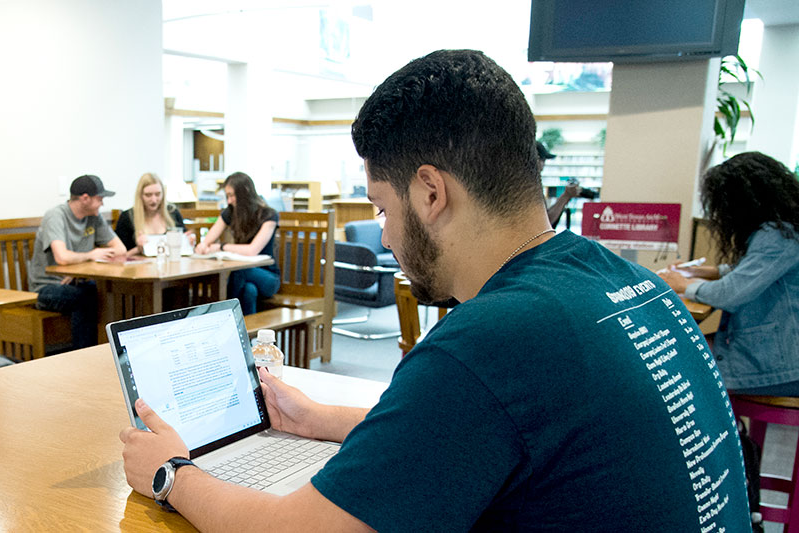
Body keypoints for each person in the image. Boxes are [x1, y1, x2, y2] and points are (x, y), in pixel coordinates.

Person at [119, 50, 749, 531]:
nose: (388, 237)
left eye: (384, 209)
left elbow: (299, 529)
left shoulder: (490, 340)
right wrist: (319, 419)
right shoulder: (622, 281)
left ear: (430, 192)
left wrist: (172, 473)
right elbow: (481, 426)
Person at [659, 151, 799, 396]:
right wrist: (709, 271)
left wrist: (683, 284)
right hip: (787, 358)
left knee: (675, 360)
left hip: (784, 368)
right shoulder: (786, 230)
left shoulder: (777, 236)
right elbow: (756, 271)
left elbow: (731, 294)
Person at [29, 174, 126, 349]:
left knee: (107, 292)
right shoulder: (56, 216)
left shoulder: (94, 217)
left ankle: (110, 351)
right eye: (100, 199)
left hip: (76, 282)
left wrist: (77, 271)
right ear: (85, 198)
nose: (102, 203)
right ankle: (85, 353)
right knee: (86, 297)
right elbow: (62, 257)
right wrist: (92, 254)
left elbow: (120, 250)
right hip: (47, 287)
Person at [194, 172, 280, 315]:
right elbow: (208, 240)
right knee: (249, 291)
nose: (229, 201)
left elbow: (252, 250)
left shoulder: (269, 215)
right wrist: (203, 246)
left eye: (232, 195)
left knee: (239, 269)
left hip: (267, 276)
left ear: (245, 192)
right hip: (247, 278)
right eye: (227, 196)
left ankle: (221, 312)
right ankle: (245, 335)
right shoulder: (231, 212)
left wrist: (221, 247)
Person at [114, 172, 189, 258]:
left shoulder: (172, 212)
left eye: (158, 194)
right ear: (140, 195)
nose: (154, 200)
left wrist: (188, 242)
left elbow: (183, 245)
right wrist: (138, 249)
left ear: (163, 194)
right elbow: (119, 257)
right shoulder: (127, 217)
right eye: (148, 195)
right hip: (139, 269)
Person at [538, 141, 582, 227]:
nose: (543, 166)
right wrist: (566, 196)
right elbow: (545, 224)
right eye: (543, 160)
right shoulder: (529, 189)